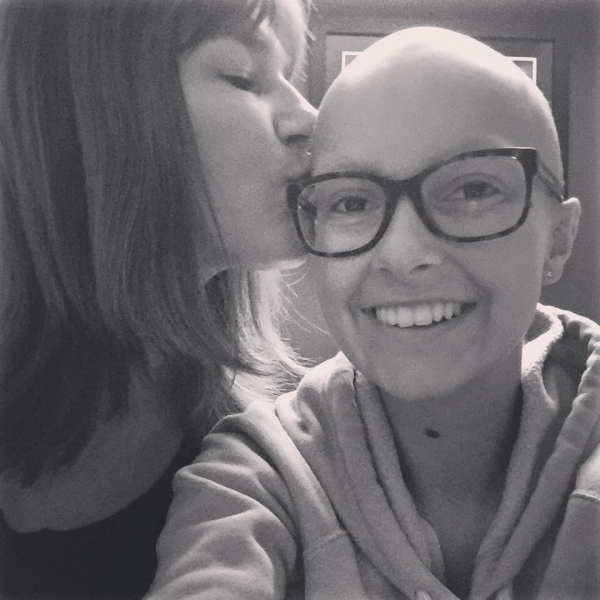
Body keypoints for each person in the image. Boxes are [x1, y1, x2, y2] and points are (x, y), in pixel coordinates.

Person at [146, 26, 600, 600]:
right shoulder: (253, 473)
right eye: (352, 201)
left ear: (558, 239)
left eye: (473, 190)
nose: (404, 255)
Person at [0, 0, 316, 598]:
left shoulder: (271, 461)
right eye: (242, 76)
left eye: (289, 77)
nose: (309, 119)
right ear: (92, 110)